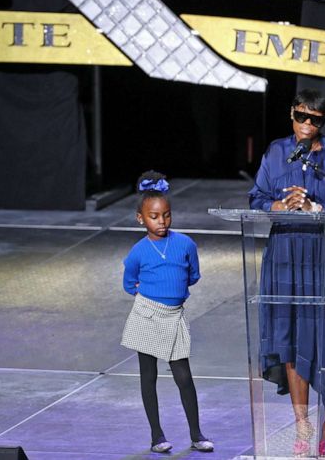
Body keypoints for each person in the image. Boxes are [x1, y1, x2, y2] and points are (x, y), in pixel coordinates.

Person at [249, 88, 325, 458]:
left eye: (315, 120)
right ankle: (302, 424)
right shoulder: (275, 152)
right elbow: (256, 198)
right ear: (292, 115)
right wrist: (279, 204)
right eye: (301, 117)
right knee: (292, 339)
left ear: (323, 122)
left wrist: (316, 205)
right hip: (286, 253)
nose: (307, 125)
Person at [121, 171, 214, 454]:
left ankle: (197, 434)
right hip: (147, 314)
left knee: (183, 377)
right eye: (154, 216)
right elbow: (129, 283)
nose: (161, 222)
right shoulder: (138, 252)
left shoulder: (185, 244)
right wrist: (152, 297)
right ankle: (156, 436)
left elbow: (193, 275)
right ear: (141, 218)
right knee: (148, 377)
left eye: (166, 215)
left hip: (174, 316)